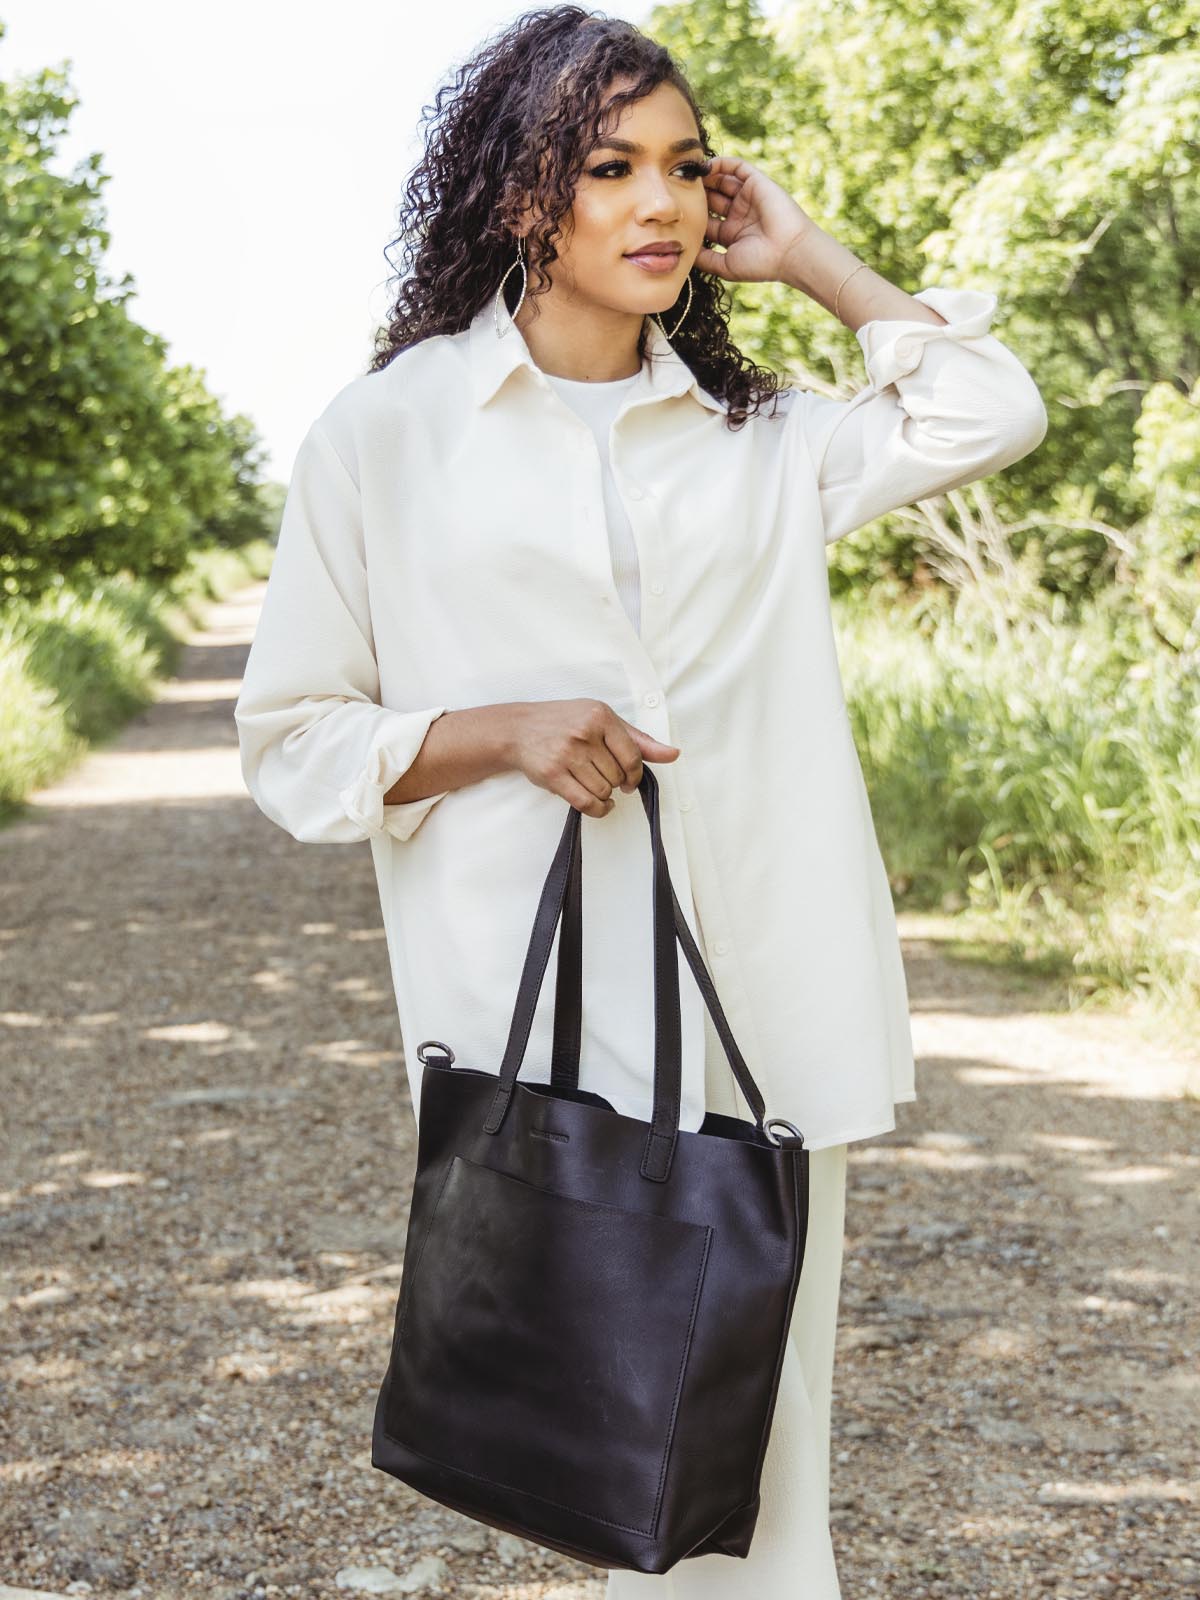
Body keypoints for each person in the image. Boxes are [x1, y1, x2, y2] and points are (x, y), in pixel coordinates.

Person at [234, 7, 1048, 1595]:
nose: (659, 203)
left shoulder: (763, 441)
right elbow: (292, 740)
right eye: (608, 167)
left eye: (684, 166)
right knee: (613, 1467)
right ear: (521, 196)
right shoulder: (388, 436)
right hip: (537, 1017)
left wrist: (809, 255)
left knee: (762, 1451)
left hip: (769, 998)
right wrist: (495, 732)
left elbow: (988, 410)